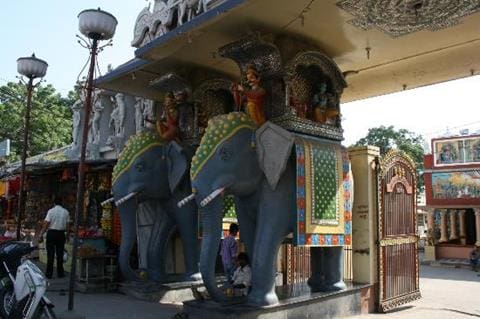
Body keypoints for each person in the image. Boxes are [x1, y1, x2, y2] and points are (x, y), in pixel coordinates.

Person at [39, 196, 70, 279]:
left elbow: (46, 224)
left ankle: (49, 274)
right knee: (60, 254)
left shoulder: (51, 211)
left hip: (51, 233)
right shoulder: (66, 212)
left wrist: (41, 234)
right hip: (61, 234)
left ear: (54, 203)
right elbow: (68, 226)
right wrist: (67, 236)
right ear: (62, 203)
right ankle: (60, 273)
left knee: (50, 254)